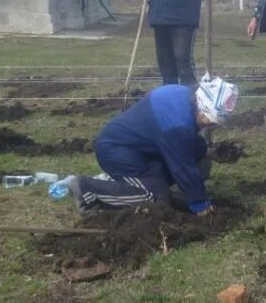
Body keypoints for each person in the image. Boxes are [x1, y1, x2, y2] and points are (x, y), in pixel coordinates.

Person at [66, 75, 238, 216]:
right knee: (156, 198)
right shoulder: (177, 125)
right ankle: (86, 189)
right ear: (203, 108)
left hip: (138, 147)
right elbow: (182, 165)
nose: (211, 126)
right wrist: (200, 205)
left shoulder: (182, 95)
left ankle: (127, 184)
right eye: (210, 121)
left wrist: (208, 152)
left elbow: (184, 143)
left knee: (185, 159)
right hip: (116, 152)